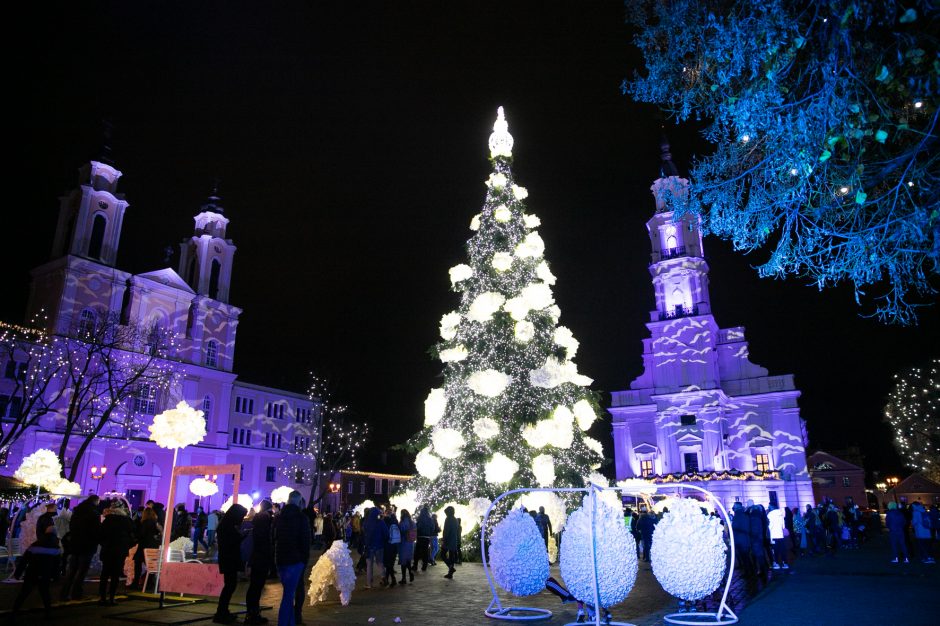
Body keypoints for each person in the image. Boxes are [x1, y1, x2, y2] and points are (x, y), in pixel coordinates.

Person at [274, 490, 311, 626]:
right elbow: (305, 541)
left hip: (281, 559)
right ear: (299, 501)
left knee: (288, 592)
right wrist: (304, 560)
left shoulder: (279, 517)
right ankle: (284, 622)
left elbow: (275, 538)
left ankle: (290, 622)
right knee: (289, 595)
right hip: (295, 561)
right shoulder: (301, 518)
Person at [11, 521, 61, 619]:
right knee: (45, 594)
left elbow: (24, 560)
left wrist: (18, 573)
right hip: (45, 574)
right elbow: (56, 565)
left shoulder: (36, 544)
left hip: (32, 572)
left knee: (23, 594)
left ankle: (14, 612)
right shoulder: (56, 548)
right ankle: (48, 613)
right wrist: (55, 576)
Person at [60, 494, 101, 601]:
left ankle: (64, 593)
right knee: (82, 570)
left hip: (75, 544)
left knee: (72, 570)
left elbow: (71, 526)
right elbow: (96, 531)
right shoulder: (94, 513)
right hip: (87, 545)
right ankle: (76, 593)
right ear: (95, 501)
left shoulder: (77, 511)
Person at [212, 504, 247, 624]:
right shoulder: (227, 527)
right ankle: (221, 612)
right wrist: (242, 536)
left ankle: (223, 611)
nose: (242, 519)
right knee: (229, 586)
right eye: (242, 516)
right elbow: (231, 542)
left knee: (230, 586)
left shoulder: (226, 525)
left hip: (228, 558)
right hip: (229, 559)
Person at [98, 502, 136, 605]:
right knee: (115, 574)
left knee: (105, 573)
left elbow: (100, 535)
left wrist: (104, 544)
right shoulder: (127, 521)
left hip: (108, 549)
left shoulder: (108, 520)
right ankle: (111, 597)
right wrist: (127, 545)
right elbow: (134, 535)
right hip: (120, 550)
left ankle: (102, 597)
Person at [244, 500, 273, 625]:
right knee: (256, 587)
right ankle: (252, 615)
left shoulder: (256, 524)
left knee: (254, 588)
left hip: (256, 559)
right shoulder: (263, 525)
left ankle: (252, 613)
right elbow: (262, 544)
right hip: (260, 559)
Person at [131, 507, 162, 589]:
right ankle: (149, 582)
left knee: (138, 564)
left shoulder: (144, 523)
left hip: (143, 546)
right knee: (151, 565)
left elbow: (141, 534)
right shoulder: (156, 523)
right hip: (153, 546)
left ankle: (136, 582)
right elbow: (160, 533)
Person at [363, 507, 387, 589]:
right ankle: (383, 577)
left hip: (369, 546)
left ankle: (369, 583)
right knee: (380, 563)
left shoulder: (366, 522)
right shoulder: (381, 522)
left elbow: (364, 533)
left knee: (369, 565)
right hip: (379, 546)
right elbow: (386, 533)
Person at [382, 509, 401, 587]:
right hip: (395, 544)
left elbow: (384, 534)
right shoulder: (396, 521)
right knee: (391, 563)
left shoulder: (385, 521)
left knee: (387, 563)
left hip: (388, 545)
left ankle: (393, 579)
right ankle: (387, 579)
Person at [767, 505, 788, 569]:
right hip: (781, 535)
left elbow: (770, 526)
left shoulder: (770, 514)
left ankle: (776, 563)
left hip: (774, 535)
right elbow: (783, 525)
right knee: (782, 549)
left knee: (775, 550)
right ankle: (785, 563)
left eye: (769, 507)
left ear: (772, 507)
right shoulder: (780, 513)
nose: (768, 508)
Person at [398, 509, 416, 583]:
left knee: (403, 562)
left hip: (403, 543)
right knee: (408, 560)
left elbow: (400, 531)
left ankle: (404, 578)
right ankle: (410, 573)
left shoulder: (402, 523)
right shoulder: (412, 523)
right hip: (411, 543)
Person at [442, 505, 459, 579]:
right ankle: (450, 573)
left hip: (448, 540)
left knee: (442, 554)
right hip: (454, 540)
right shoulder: (455, 519)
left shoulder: (448, 519)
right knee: (451, 556)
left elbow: (447, 530)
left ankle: (450, 568)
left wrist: (444, 539)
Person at [415, 506, 433, 571]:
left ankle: (415, 566)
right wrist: (429, 534)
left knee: (417, 551)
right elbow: (432, 528)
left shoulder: (420, 518)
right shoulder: (430, 519)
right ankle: (424, 566)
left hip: (420, 536)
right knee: (425, 552)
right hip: (427, 537)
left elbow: (417, 527)